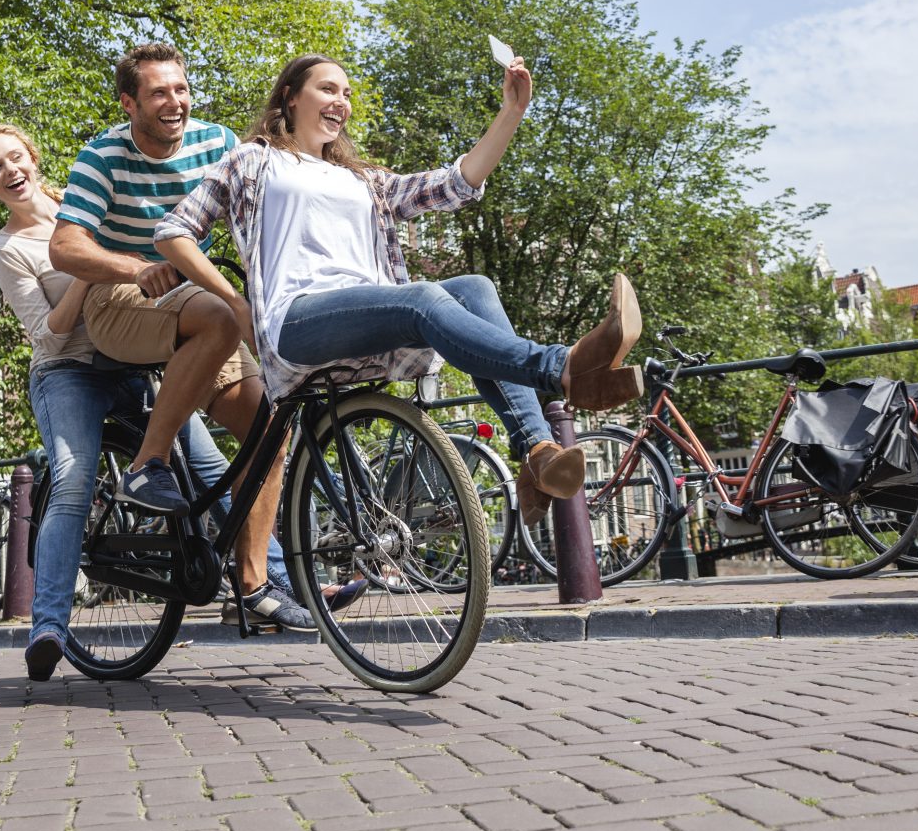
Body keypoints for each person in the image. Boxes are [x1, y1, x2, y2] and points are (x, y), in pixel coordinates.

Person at [152, 52, 646, 525]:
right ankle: (563, 369)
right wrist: (238, 303)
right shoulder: (251, 162)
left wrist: (511, 112)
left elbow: (457, 182)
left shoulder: (364, 180)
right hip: (297, 322)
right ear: (290, 98)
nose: (340, 101)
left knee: (474, 287)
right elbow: (174, 232)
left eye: (346, 93)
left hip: (370, 321)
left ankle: (537, 450)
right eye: (327, 88)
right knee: (423, 297)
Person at [0, 122, 309, 681]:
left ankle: (276, 585)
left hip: (131, 362)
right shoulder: (11, 249)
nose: (10, 172)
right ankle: (49, 625)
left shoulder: (81, 203)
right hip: (69, 372)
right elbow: (49, 334)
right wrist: (86, 268)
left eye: (15, 158)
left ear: (33, 158)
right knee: (74, 479)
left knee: (208, 468)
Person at [48, 44, 315, 632]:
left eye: (181, 89)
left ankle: (252, 585)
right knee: (221, 316)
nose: (176, 103)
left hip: (197, 303)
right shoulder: (103, 155)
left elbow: (265, 213)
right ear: (129, 102)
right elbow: (64, 247)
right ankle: (147, 464)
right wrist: (132, 266)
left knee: (272, 427)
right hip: (121, 300)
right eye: (160, 93)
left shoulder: (217, 143)